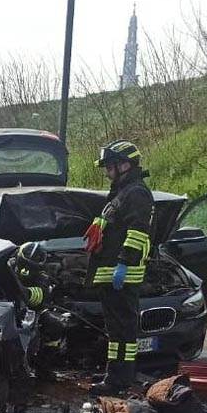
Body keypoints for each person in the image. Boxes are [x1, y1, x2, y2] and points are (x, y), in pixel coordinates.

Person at [83, 140, 154, 396]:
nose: (106, 172)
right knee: (116, 332)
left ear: (124, 165)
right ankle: (115, 375)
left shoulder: (136, 193)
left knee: (123, 332)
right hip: (111, 273)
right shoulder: (121, 192)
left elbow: (137, 232)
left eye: (110, 166)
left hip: (122, 274)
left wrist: (123, 263)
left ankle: (119, 381)